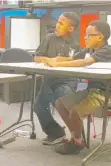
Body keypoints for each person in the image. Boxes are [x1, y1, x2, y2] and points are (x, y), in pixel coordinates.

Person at [47, 20, 111, 155]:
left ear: (100, 37)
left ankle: (76, 142)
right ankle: (76, 139)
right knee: (60, 103)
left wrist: (57, 65)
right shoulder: (90, 49)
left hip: (105, 92)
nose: (85, 37)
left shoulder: (106, 50)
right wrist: (54, 60)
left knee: (75, 112)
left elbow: (84, 62)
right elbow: (71, 59)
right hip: (90, 90)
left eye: (89, 35)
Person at [33, 12, 81, 145]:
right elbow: (37, 57)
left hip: (67, 81)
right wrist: (48, 59)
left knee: (67, 106)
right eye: (57, 22)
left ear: (70, 28)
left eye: (61, 23)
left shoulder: (76, 45)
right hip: (49, 80)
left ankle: (76, 136)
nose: (57, 25)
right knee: (38, 106)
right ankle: (55, 133)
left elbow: (78, 63)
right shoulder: (49, 38)